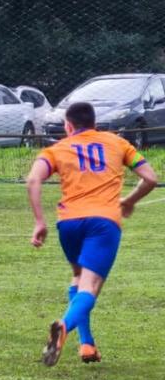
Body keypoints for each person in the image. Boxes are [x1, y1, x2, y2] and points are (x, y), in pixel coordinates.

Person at [27, 100, 157, 365]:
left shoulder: (57, 149)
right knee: (91, 285)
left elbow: (33, 179)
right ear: (94, 123)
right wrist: (129, 201)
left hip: (68, 223)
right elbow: (151, 178)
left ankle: (87, 345)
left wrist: (39, 221)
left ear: (68, 126)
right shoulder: (117, 143)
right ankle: (64, 327)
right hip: (103, 222)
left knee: (78, 277)